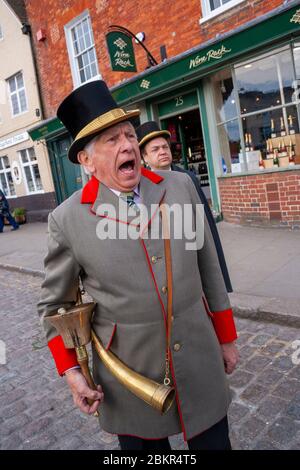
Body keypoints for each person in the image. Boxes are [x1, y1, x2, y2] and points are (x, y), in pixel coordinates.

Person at [37, 80, 239, 451]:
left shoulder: (180, 186)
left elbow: (209, 266)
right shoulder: (66, 219)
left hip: (198, 352)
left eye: (129, 134)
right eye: (112, 140)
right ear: (86, 159)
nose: (128, 145)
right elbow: (55, 307)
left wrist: (226, 337)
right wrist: (71, 372)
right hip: (127, 371)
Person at [136, 121, 232, 292]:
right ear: (144, 157)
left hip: (191, 257)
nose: (163, 152)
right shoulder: (139, 187)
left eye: (165, 147)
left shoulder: (188, 178)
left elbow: (205, 227)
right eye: (155, 149)